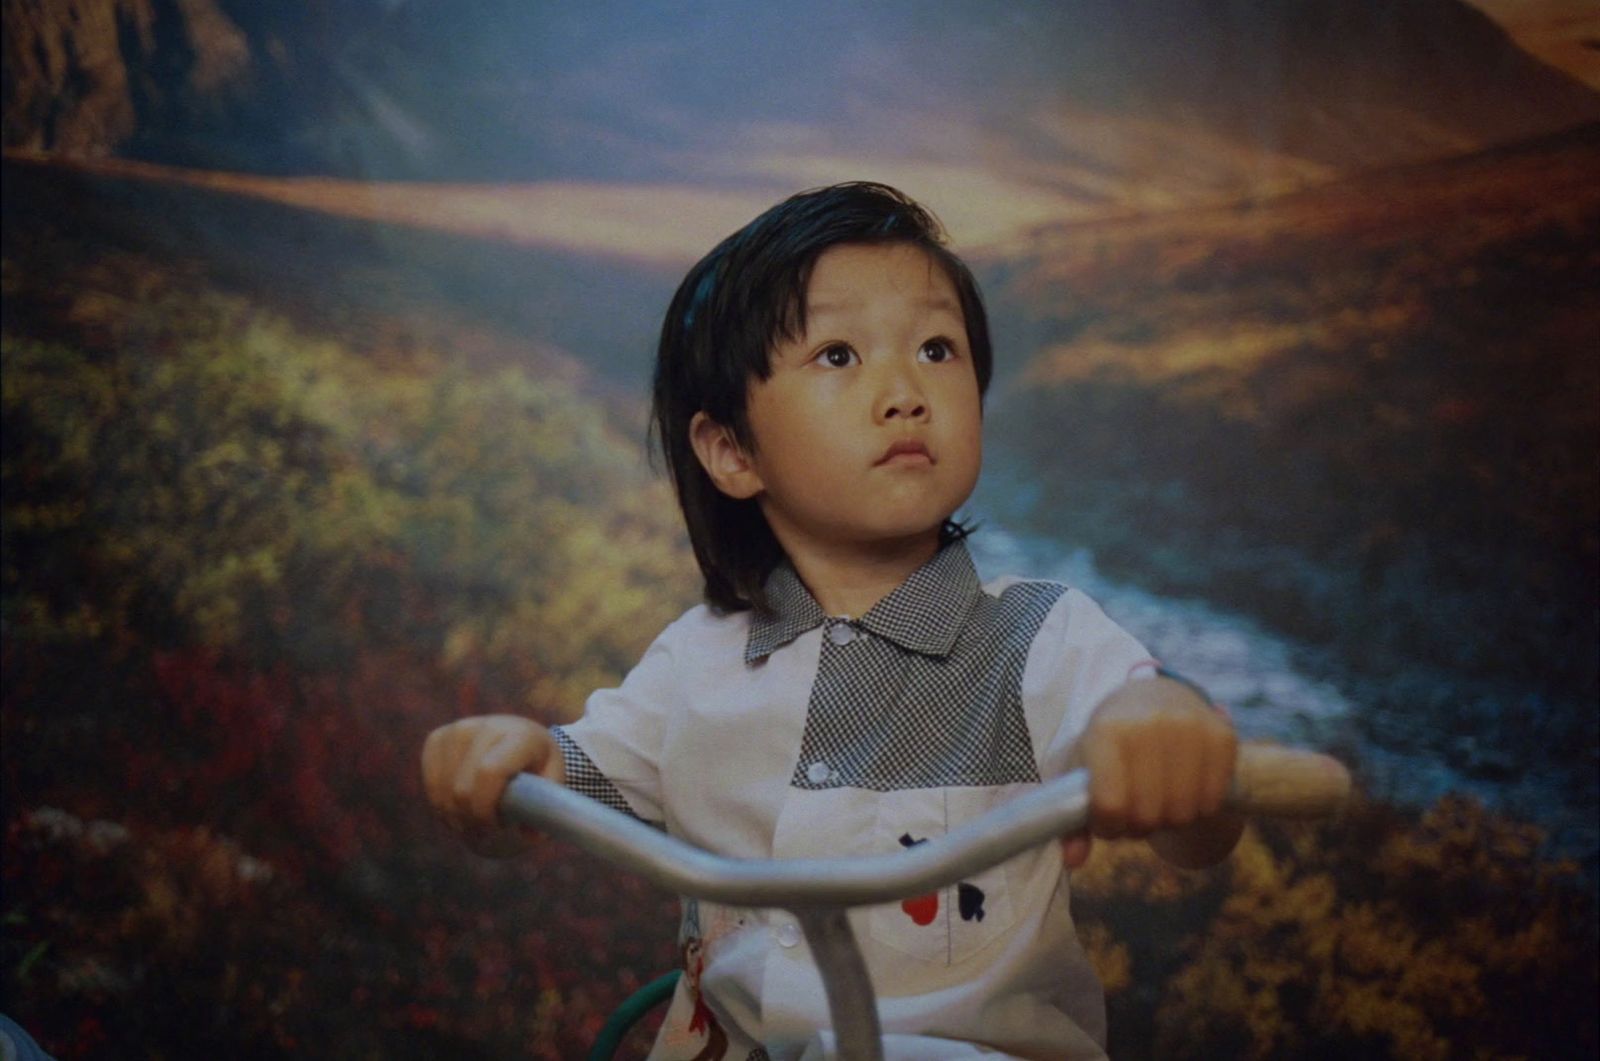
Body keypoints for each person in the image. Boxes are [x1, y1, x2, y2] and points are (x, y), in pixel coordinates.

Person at [422, 182, 1242, 1059]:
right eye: (839, 356)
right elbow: (563, 787)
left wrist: (1172, 734)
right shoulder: (695, 662)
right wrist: (498, 767)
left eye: (936, 348)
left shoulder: (1042, 638)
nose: (904, 392)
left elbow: (1192, 817)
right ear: (733, 452)